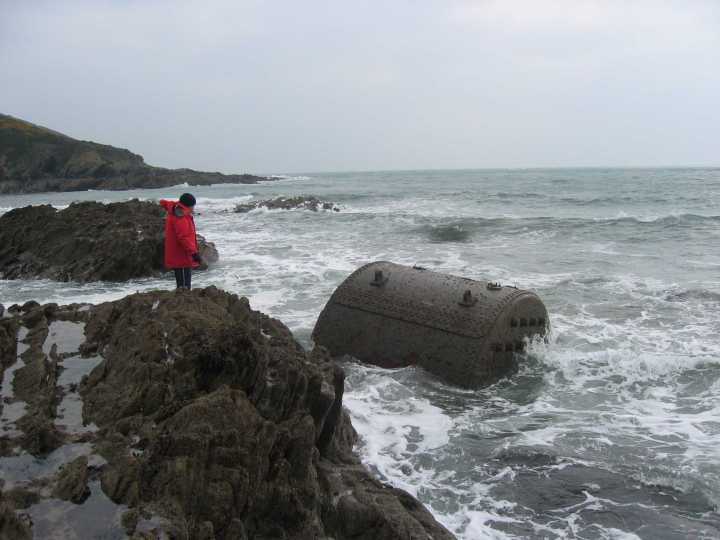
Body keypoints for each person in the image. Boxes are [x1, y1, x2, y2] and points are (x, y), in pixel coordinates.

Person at [160, 193, 203, 289]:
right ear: (188, 205)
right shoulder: (181, 216)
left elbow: (165, 203)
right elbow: (183, 238)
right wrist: (194, 253)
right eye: (193, 206)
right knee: (184, 285)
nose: (193, 208)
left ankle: (182, 297)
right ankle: (184, 299)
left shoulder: (176, 209)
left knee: (181, 283)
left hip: (177, 252)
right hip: (181, 254)